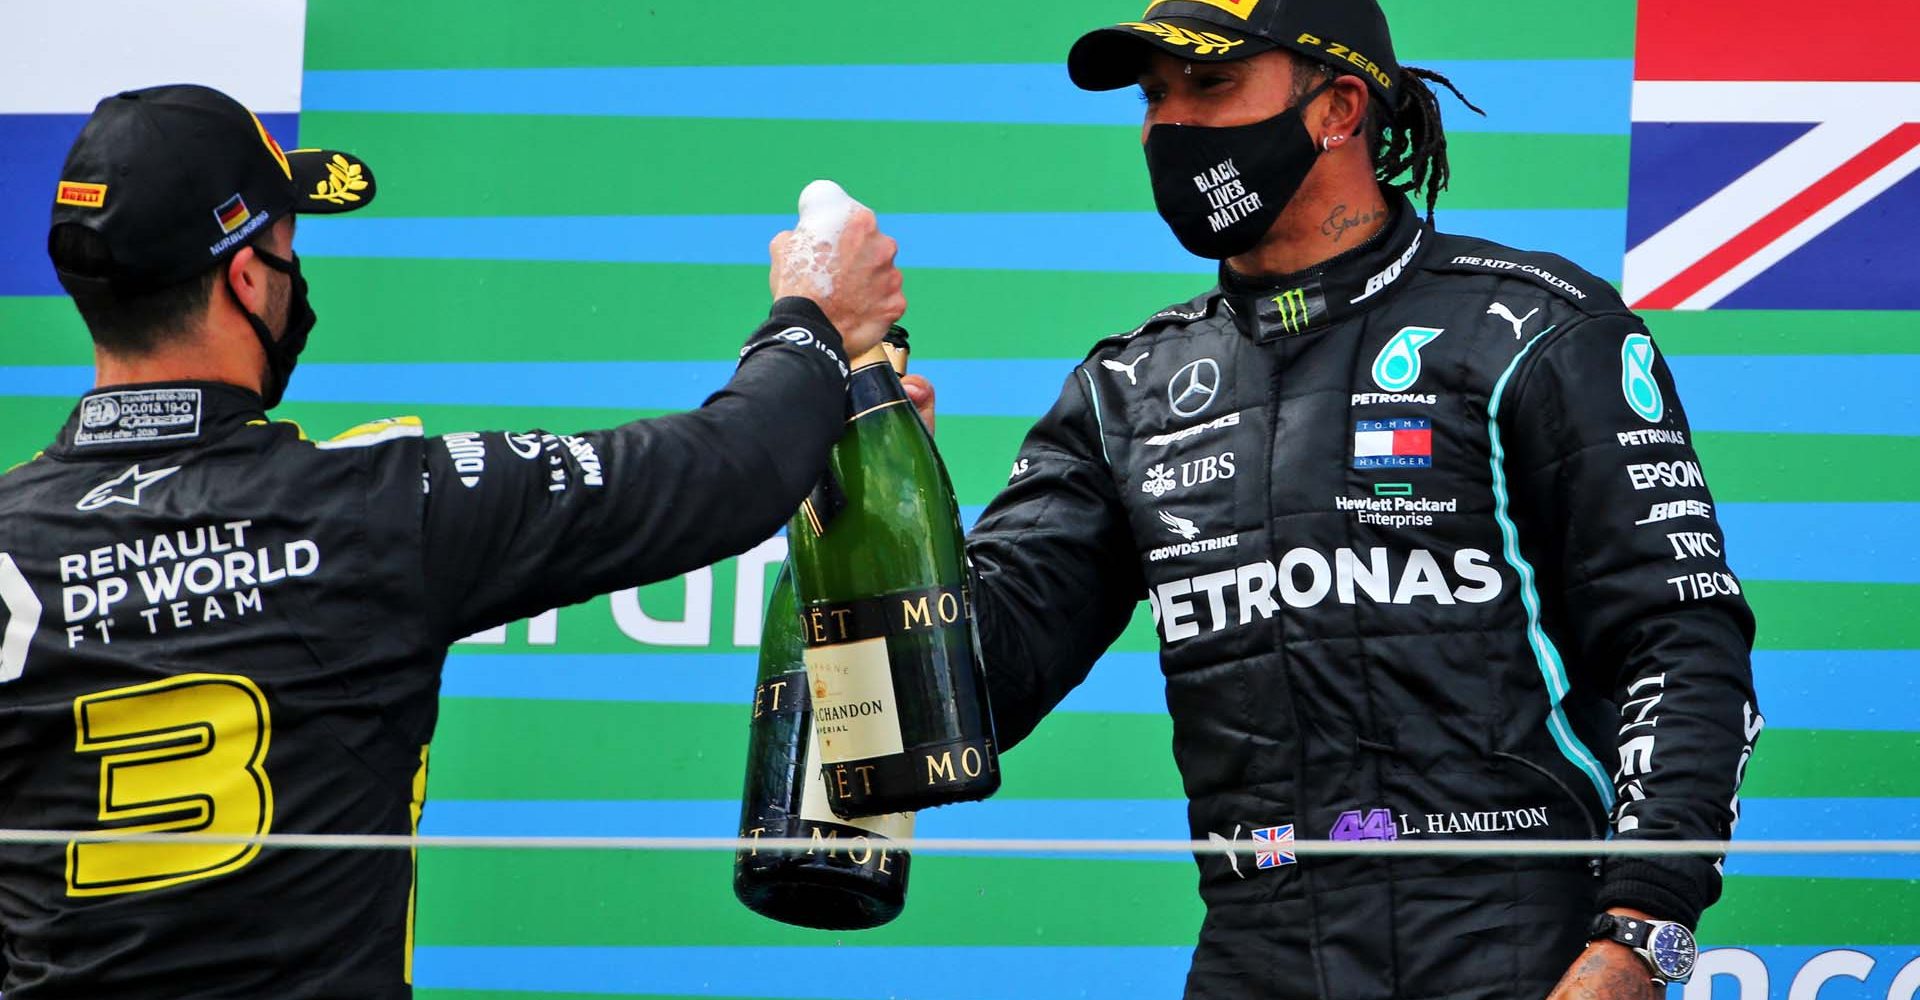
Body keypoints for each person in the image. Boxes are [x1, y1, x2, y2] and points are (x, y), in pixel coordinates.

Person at [903, 2, 1763, 998]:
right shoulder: (1125, 394)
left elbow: (1679, 641)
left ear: (1340, 106)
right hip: (1257, 947)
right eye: (1154, 96)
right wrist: (894, 506)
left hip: (1521, 945)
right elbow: (971, 693)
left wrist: (1638, 932)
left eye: (1212, 85)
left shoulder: (1532, 331)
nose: (1168, 126)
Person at [0, 84, 904, 998]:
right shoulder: (369, 510)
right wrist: (815, 320)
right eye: (286, 245)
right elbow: (726, 469)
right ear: (244, 278)